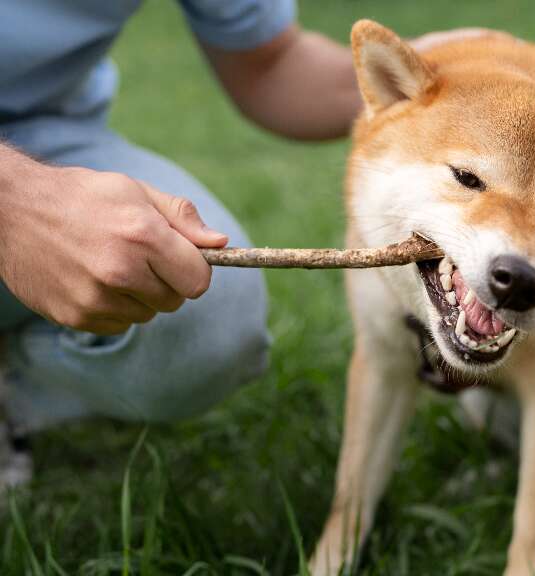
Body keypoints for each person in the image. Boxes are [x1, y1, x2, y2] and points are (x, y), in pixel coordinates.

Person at [0, 1, 492, 492]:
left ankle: (19, 386)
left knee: (206, 312)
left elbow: (270, 63)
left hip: (47, 133)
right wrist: (16, 204)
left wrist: (435, 77)